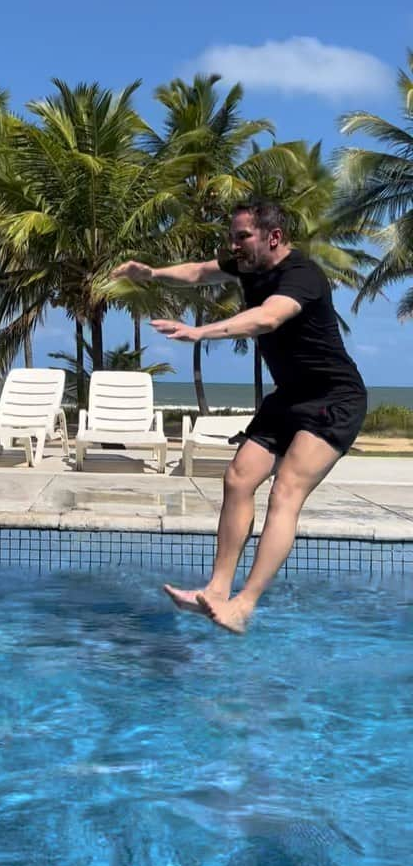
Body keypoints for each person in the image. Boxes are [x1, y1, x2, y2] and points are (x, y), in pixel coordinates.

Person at [111, 201, 367, 633]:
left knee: (285, 491)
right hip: (288, 397)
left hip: (333, 398)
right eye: (231, 236)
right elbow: (197, 272)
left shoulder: (301, 276)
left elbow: (267, 318)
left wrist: (200, 332)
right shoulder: (248, 265)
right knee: (238, 478)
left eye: (242, 237)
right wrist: (151, 274)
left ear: (274, 237)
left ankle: (244, 604)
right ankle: (215, 590)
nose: (233, 245)